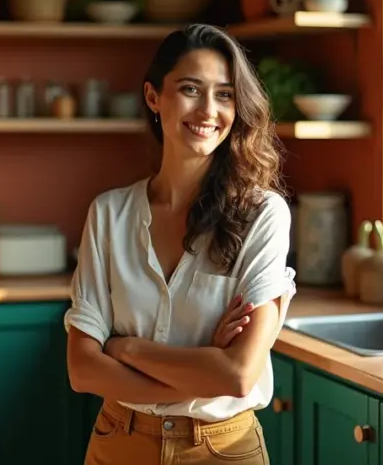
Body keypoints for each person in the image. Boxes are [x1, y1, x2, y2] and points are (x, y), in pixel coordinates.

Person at [63, 23, 297, 465]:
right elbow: (81, 370)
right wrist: (203, 364)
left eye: (225, 94)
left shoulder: (262, 215)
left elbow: (239, 374)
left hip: (221, 450)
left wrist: (123, 347)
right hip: (118, 444)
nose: (209, 109)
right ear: (153, 97)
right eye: (191, 89)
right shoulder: (109, 214)